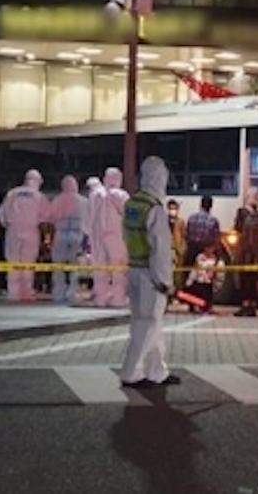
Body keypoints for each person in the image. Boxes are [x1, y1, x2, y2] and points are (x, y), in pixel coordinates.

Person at [121, 156, 180, 387]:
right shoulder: (154, 208)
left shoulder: (132, 204)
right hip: (150, 275)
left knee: (149, 322)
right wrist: (165, 281)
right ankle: (131, 372)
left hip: (135, 270)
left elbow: (126, 236)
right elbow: (161, 249)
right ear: (159, 178)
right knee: (147, 323)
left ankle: (157, 371)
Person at [0, 169, 50, 302]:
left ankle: (13, 293)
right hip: (31, 232)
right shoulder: (39, 196)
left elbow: (3, 214)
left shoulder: (12, 193)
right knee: (28, 263)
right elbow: (45, 218)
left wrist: (9, 225)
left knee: (13, 262)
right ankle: (26, 292)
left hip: (13, 231)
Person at [92, 167, 130, 307]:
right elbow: (130, 215)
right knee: (118, 268)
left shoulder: (95, 194)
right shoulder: (121, 195)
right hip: (116, 236)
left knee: (100, 268)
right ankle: (118, 299)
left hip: (97, 237)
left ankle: (100, 298)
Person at [50, 175, 87, 303]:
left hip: (60, 234)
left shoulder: (57, 200)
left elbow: (50, 217)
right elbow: (88, 219)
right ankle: (72, 292)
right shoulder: (83, 201)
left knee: (58, 265)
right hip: (77, 235)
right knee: (75, 265)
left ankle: (58, 293)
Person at [234, 188, 258, 317]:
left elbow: (237, 228)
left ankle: (245, 305)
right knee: (252, 280)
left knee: (245, 280)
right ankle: (252, 306)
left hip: (245, 253)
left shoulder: (242, 213)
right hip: (256, 254)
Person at [184, 242, 224, 315]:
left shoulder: (218, 262)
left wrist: (216, 286)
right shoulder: (199, 257)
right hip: (198, 282)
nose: (208, 250)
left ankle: (206, 307)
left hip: (208, 284)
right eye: (206, 248)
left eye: (210, 248)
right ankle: (195, 306)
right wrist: (189, 281)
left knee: (206, 294)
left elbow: (220, 276)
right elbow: (195, 270)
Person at [184, 195, 220, 268]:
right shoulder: (213, 221)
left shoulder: (191, 218)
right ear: (211, 206)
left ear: (200, 205)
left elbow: (186, 235)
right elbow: (215, 240)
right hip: (205, 253)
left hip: (191, 251)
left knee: (189, 273)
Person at [166, 199, 187, 306]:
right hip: (166, 251)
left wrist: (182, 249)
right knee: (167, 275)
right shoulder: (164, 221)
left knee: (178, 276)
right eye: (171, 208)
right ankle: (168, 297)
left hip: (177, 251)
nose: (172, 211)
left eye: (174, 208)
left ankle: (177, 296)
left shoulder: (181, 222)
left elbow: (184, 236)